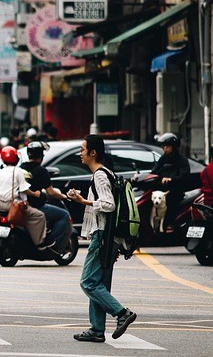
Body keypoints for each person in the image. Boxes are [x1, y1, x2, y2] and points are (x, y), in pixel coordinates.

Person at [66, 134, 136, 342]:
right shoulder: (106, 173)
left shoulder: (100, 175)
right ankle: (97, 329)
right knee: (99, 283)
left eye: (83, 149)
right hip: (110, 236)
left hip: (103, 235)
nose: (80, 153)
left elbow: (108, 204)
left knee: (88, 282)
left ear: (93, 152)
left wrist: (84, 201)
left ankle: (122, 313)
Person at [0, 146, 49, 248]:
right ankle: (39, 243)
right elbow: (24, 189)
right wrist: (35, 194)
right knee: (39, 215)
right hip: (11, 206)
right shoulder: (18, 171)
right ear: (16, 159)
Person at [21, 141, 71, 251]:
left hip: (22, 205)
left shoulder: (21, 168)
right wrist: (64, 196)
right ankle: (54, 246)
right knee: (64, 215)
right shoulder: (41, 170)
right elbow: (51, 192)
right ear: (40, 156)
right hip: (37, 206)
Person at [150, 132, 190, 231]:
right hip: (162, 189)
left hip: (175, 190)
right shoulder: (163, 159)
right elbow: (155, 171)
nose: (165, 149)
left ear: (174, 147)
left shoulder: (182, 160)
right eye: (164, 146)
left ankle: (170, 224)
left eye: (167, 146)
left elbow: (183, 176)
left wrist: (171, 179)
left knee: (171, 201)